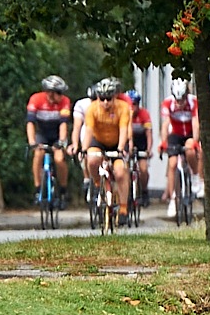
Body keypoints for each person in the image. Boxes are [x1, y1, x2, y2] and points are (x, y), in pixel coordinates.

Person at [80, 77, 134, 222]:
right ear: (97, 97)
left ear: (115, 97)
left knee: (120, 172)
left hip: (117, 142)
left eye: (109, 98)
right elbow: (89, 130)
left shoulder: (123, 108)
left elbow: (124, 130)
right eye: (102, 98)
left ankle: (123, 209)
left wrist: (121, 148)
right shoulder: (92, 109)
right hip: (99, 141)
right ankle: (97, 184)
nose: (105, 102)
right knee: (92, 160)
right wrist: (84, 149)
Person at [25, 76, 72, 209]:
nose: (62, 96)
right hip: (42, 133)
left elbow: (63, 124)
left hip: (57, 134)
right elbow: (30, 123)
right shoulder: (36, 99)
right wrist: (32, 142)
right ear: (50, 92)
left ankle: (63, 191)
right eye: (59, 93)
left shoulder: (64, 101)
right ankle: (37, 188)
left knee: (59, 159)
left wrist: (62, 142)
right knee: (38, 154)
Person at [159, 78, 198, 221]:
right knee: (172, 163)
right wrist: (163, 142)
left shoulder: (193, 102)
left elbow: (195, 123)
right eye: (177, 99)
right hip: (175, 134)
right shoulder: (168, 103)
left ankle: (194, 177)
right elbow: (165, 125)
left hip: (189, 133)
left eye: (182, 99)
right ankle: (173, 199)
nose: (179, 103)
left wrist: (195, 141)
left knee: (190, 150)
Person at [126, 87, 152, 206]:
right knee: (124, 168)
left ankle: (144, 191)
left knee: (143, 169)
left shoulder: (144, 114)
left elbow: (149, 134)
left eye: (134, 104)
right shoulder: (124, 113)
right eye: (129, 104)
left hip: (141, 142)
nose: (132, 107)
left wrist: (149, 149)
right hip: (128, 140)